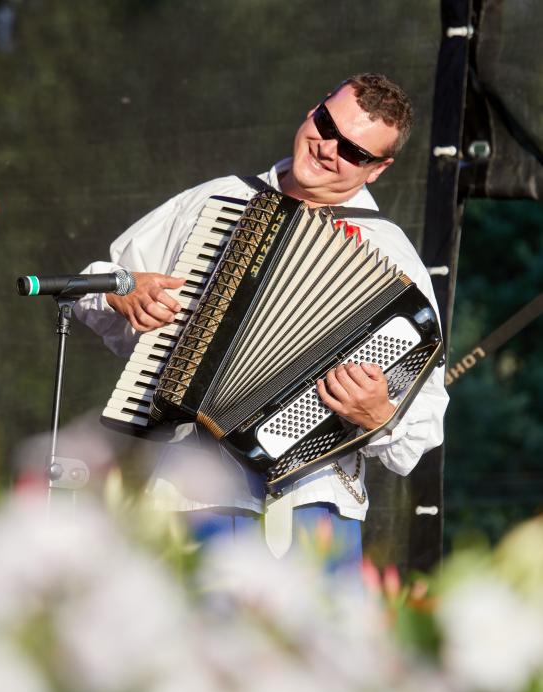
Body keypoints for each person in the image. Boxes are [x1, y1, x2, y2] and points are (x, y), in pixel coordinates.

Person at [74, 73, 449, 569]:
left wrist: (381, 416)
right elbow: (91, 286)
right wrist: (123, 292)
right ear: (313, 110)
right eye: (327, 126)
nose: (328, 149)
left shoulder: (391, 253)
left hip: (315, 506)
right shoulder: (217, 200)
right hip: (193, 492)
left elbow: (422, 427)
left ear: (378, 168)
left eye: (353, 152)